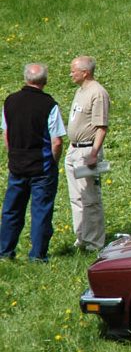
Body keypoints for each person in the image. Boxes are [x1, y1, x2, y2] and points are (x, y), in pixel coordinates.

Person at [0, 63, 65, 261]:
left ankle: (5, 251)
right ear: (44, 80)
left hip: (17, 166)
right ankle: (37, 255)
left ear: (26, 79)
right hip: (41, 168)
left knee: (12, 211)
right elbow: (56, 141)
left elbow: (6, 135)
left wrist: (14, 156)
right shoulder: (49, 105)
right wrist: (53, 163)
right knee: (41, 212)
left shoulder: (10, 101)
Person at [63, 56, 109, 252]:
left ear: (85, 72)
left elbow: (101, 127)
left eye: (74, 70)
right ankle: (81, 236)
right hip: (74, 149)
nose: (70, 73)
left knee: (90, 198)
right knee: (76, 197)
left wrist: (94, 152)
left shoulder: (97, 93)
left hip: (87, 150)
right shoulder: (80, 91)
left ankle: (94, 241)